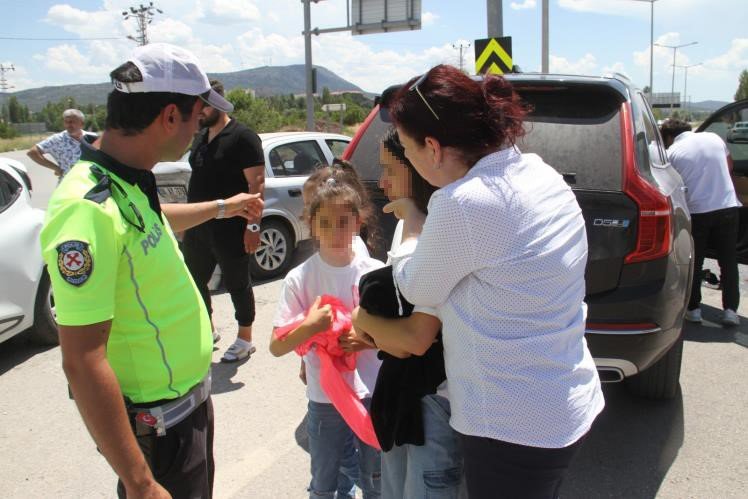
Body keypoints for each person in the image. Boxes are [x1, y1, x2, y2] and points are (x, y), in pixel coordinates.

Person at [39, 43, 263, 498]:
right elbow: (82, 360)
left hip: (186, 410)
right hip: (159, 433)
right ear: (168, 117)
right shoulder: (87, 209)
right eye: (198, 118)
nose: (197, 131)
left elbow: (156, 224)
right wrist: (140, 483)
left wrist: (225, 207)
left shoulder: (125, 177)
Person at [381, 65, 604, 498]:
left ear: (433, 146)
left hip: (512, 424)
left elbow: (415, 287)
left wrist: (413, 228)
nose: (408, 160)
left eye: (407, 150)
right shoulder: (538, 173)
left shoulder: (465, 203)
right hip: (563, 400)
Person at [351, 127, 464, 499]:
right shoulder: (407, 224)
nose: (381, 180)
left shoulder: (435, 229)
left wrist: (362, 320)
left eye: (390, 169)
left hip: (434, 403)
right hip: (402, 398)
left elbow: (410, 341)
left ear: (415, 168)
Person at [269, 164, 383, 499]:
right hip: (326, 398)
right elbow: (276, 345)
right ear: (312, 225)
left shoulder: (375, 273)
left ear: (357, 223)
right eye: (326, 223)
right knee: (325, 482)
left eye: (344, 222)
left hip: (372, 392)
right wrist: (311, 326)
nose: (335, 231)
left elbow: (397, 336)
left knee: (376, 481)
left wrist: (366, 339)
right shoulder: (300, 278)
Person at [182, 79, 266, 362]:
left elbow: (257, 184)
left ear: (219, 103)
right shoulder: (201, 137)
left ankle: (245, 338)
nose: (201, 112)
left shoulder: (243, 137)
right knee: (194, 282)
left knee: (237, 283)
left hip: (232, 227)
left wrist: (253, 226)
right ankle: (208, 329)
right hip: (199, 227)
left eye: (205, 106)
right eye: (198, 107)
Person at [660, 118, 741, 326]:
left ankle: (694, 309)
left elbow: (670, 186)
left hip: (697, 212)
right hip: (728, 206)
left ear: (669, 137)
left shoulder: (672, 153)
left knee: (694, 262)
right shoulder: (714, 139)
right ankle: (731, 311)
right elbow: (729, 166)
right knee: (729, 261)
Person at [27, 108, 96, 179]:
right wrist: (56, 168)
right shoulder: (57, 139)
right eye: (66, 122)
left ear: (82, 124)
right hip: (68, 184)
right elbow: (32, 152)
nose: (69, 124)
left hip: (91, 183)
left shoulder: (93, 138)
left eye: (72, 122)